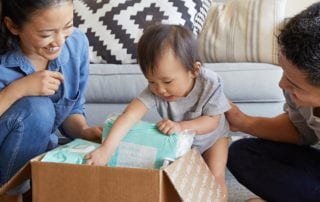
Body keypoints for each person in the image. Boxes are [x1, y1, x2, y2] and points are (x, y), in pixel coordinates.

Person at [85, 24, 231, 200]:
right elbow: (129, 116)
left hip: (214, 137)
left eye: (167, 82)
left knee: (214, 176)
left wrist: (180, 126)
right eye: (151, 81)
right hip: (183, 140)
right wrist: (106, 149)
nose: (160, 90)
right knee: (180, 180)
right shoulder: (155, 90)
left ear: (194, 70)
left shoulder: (210, 82)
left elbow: (212, 121)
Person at [0, 1, 102, 202]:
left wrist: (83, 131)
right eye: (46, 34)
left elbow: (72, 107)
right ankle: (9, 195)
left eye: (67, 26)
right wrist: (18, 89)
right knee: (38, 109)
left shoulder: (76, 43)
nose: (59, 41)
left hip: (34, 153)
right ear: (13, 26)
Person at [226, 2, 320, 202]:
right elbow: (300, 131)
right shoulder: (294, 91)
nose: (282, 84)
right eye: (283, 72)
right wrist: (242, 121)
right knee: (241, 153)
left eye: (295, 84)